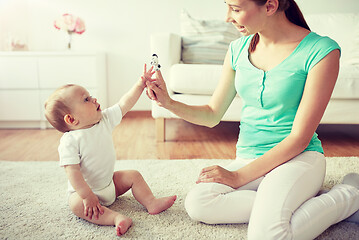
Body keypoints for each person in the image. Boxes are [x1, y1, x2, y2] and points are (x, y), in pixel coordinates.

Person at [145, 0, 359, 239]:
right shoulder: (237, 49)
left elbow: (300, 138)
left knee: (268, 235)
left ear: (270, 6)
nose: (227, 17)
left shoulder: (321, 51)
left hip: (298, 159)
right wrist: (168, 102)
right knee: (198, 202)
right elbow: (212, 114)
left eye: (235, 9)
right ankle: (305, 201)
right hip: (249, 158)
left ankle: (350, 194)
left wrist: (237, 177)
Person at [44, 65, 177, 237]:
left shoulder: (104, 120)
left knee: (133, 175)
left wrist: (140, 83)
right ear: (71, 119)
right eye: (86, 100)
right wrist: (87, 196)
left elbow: (125, 103)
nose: (93, 99)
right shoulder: (69, 141)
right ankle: (116, 218)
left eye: (90, 96)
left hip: (110, 184)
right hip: (86, 192)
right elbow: (73, 172)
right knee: (75, 204)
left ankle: (151, 202)